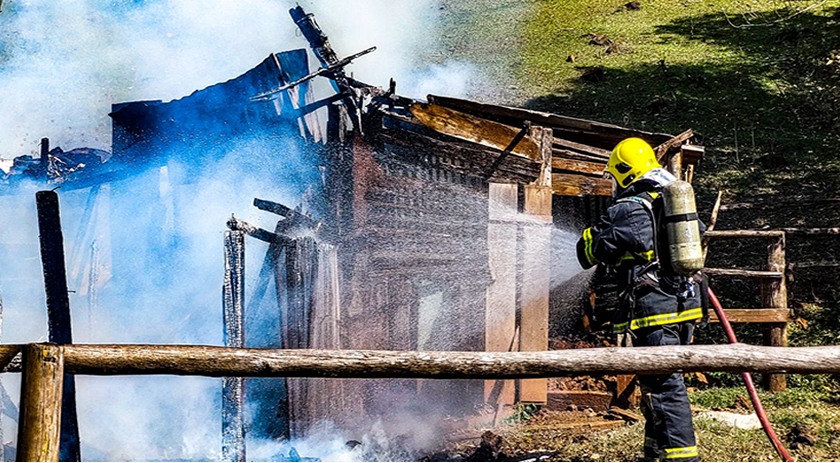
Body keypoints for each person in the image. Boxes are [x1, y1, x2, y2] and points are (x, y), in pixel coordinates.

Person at [576, 137, 703, 462]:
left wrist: (589, 238)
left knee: (664, 387)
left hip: (653, 314)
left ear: (623, 172)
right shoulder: (669, 201)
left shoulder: (629, 208)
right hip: (683, 308)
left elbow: (595, 251)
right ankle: (655, 455)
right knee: (656, 386)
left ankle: (683, 459)